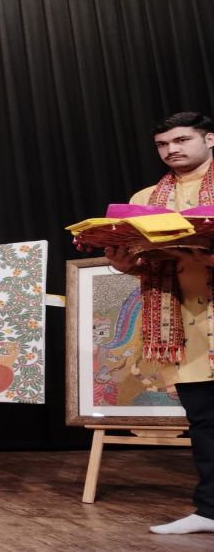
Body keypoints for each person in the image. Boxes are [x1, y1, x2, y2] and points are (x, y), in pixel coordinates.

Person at [106, 112, 214, 535]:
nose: (172, 149)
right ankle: (209, 511)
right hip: (182, 327)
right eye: (163, 144)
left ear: (209, 139)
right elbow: (147, 262)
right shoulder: (147, 198)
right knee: (204, 422)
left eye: (182, 140)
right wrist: (126, 265)